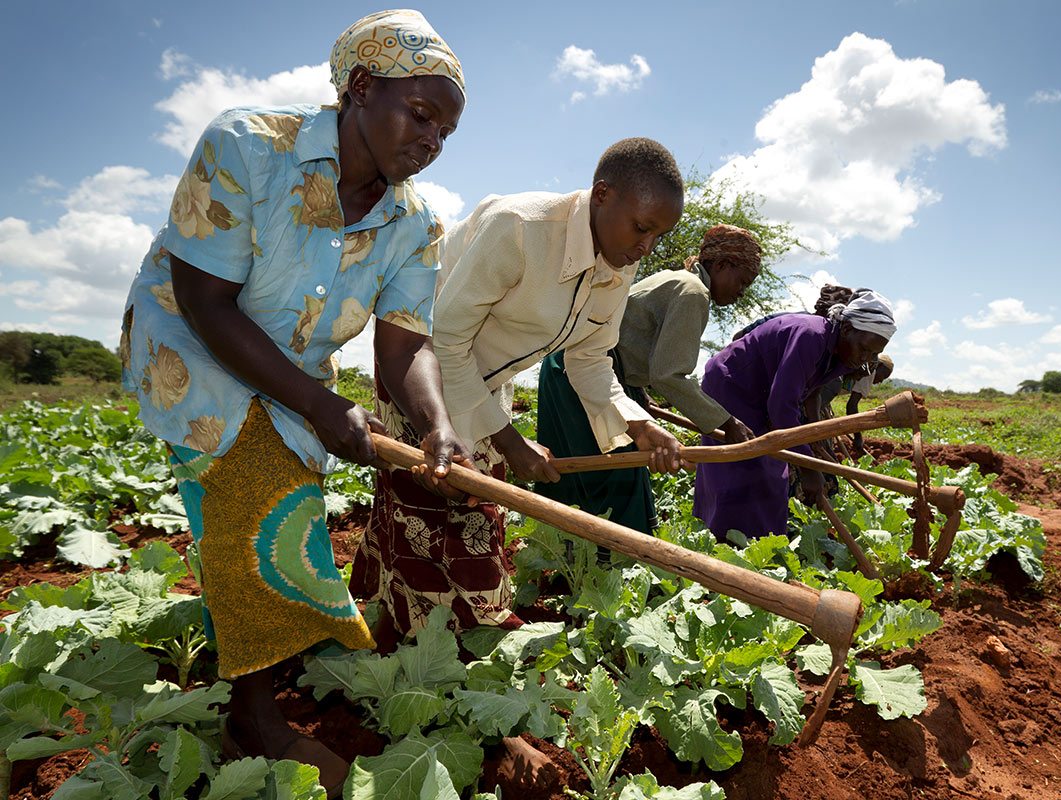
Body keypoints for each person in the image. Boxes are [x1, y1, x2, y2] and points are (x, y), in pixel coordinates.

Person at [118, 10, 468, 795]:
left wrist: (438, 424)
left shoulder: (416, 220)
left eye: (445, 131)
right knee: (255, 484)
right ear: (362, 88)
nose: (431, 141)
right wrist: (315, 404)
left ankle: (257, 649)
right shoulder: (248, 143)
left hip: (290, 368)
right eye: (420, 115)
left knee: (281, 499)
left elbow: (405, 344)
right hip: (191, 340)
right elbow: (206, 301)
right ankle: (253, 715)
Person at [352, 137, 685, 635]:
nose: (645, 248)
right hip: (420, 368)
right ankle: (445, 642)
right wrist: (511, 442)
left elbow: (590, 356)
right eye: (641, 228)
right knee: (439, 504)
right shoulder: (520, 227)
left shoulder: (619, 262)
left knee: (461, 508)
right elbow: (444, 340)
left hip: (487, 386)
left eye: (657, 236)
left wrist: (639, 424)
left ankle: (391, 617)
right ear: (601, 195)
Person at [533, 224, 762, 533]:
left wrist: (637, 393)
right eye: (742, 281)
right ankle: (615, 565)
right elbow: (668, 375)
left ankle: (559, 565)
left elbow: (634, 344)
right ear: (721, 265)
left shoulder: (677, 280)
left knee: (565, 474)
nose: (741, 292)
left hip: (566, 367)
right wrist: (726, 422)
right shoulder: (693, 293)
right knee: (620, 476)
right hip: (587, 373)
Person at [692, 289, 897, 539]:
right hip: (733, 384)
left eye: (873, 354)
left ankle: (760, 543)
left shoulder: (842, 353)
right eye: (863, 349)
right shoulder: (811, 335)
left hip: (761, 391)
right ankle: (722, 539)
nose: (865, 358)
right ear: (846, 330)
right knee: (743, 466)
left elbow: (811, 395)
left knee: (769, 471)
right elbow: (781, 406)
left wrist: (814, 437)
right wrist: (809, 468)